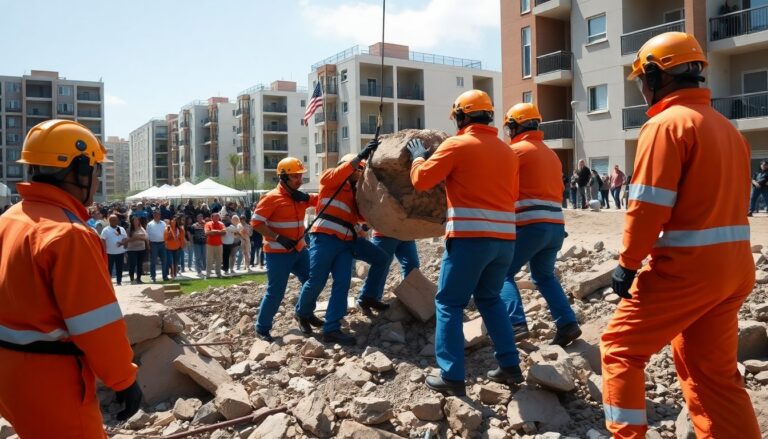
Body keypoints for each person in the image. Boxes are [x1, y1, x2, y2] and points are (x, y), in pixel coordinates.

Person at [601, 32, 760, 438]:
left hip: (690, 271)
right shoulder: (728, 130)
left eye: (641, 79)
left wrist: (628, 263)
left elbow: (648, 206)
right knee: (714, 374)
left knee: (619, 348)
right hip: (734, 269)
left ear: (657, 76)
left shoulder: (665, 125)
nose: (640, 89)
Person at [0, 120, 142, 437]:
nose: (96, 178)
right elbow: (96, 324)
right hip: (51, 381)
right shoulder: (69, 234)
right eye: (94, 169)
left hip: (9, 372)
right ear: (78, 169)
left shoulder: (10, 219)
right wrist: (123, 380)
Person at [407, 90, 522, 396]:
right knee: (490, 299)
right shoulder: (508, 152)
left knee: (448, 303)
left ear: (461, 116)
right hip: (505, 242)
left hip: (470, 239)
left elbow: (421, 180)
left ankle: (452, 375)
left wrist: (418, 157)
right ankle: (510, 366)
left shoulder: (457, 145)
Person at [499, 103, 581, 347]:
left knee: (502, 274)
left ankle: (515, 325)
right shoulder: (550, 153)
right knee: (544, 276)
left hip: (531, 224)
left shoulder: (515, 151)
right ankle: (568, 324)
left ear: (514, 126)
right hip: (556, 226)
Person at [294, 141, 381, 346]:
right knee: (317, 279)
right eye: (357, 169)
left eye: (361, 171)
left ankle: (332, 327)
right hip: (324, 238)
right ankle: (302, 312)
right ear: (347, 166)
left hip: (345, 243)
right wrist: (360, 156)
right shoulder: (329, 179)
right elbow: (339, 173)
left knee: (342, 282)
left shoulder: (354, 193)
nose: (358, 173)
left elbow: (362, 216)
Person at [252, 157, 318, 341]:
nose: (300, 179)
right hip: (277, 254)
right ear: (283, 177)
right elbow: (256, 223)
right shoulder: (271, 197)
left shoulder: (299, 197)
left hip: (299, 250)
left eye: (300, 175)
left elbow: (322, 199)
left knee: (313, 281)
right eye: (296, 176)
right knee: (276, 291)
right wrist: (278, 237)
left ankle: (304, 313)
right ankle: (262, 328)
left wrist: (307, 197)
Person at [357, 231, 419, 313]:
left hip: (407, 233)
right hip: (384, 233)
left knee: (412, 264)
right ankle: (367, 297)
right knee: (381, 264)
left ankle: (408, 297)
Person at [101, 214, 128, 286]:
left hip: (120, 252)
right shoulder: (106, 230)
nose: (114, 221)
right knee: (109, 268)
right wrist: (104, 250)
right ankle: (109, 282)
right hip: (109, 253)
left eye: (115, 220)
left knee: (119, 267)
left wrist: (122, 243)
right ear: (109, 221)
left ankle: (119, 281)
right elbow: (103, 240)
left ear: (117, 220)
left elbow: (125, 238)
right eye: (112, 220)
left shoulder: (121, 229)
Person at [146, 209, 169, 282]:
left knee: (164, 261)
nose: (157, 215)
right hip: (153, 244)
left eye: (158, 214)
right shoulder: (149, 224)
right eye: (155, 214)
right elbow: (147, 236)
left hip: (163, 244)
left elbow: (167, 233)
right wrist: (148, 245)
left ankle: (165, 276)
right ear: (153, 215)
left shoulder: (164, 223)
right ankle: (153, 276)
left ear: (160, 215)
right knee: (153, 261)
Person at [126, 215, 149, 284]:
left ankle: (139, 279)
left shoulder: (141, 228)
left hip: (141, 249)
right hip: (132, 249)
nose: (136, 221)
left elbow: (146, 237)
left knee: (140, 264)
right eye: (134, 220)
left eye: (137, 220)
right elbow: (127, 239)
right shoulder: (129, 229)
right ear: (132, 222)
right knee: (132, 264)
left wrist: (137, 237)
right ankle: (132, 279)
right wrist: (138, 237)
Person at [205, 212, 226, 278]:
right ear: (212, 217)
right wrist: (219, 232)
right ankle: (208, 274)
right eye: (216, 216)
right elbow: (207, 233)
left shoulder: (221, 224)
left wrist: (214, 231)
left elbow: (224, 232)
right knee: (209, 259)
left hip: (219, 244)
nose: (217, 218)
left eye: (218, 216)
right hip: (210, 244)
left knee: (219, 259)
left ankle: (218, 274)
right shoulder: (208, 224)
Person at [164, 215, 185, 279]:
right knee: (171, 261)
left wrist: (182, 246)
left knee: (176, 262)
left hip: (177, 248)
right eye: (173, 220)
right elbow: (165, 237)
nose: (174, 222)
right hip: (168, 248)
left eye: (175, 221)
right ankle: (172, 274)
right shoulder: (167, 228)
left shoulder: (180, 229)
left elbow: (182, 238)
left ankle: (174, 274)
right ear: (170, 221)